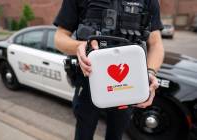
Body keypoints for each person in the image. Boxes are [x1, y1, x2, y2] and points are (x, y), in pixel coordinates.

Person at [54, 0, 164, 140]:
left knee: (116, 134)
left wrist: (150, 73)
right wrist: (79, 47)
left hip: (128, 84)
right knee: (84, 133)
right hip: (89, 82)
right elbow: (59, 38)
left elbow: (155, 44)